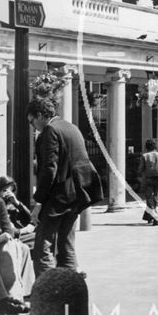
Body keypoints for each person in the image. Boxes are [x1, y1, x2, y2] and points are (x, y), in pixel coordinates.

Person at [27, 97, 103, 277]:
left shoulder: (50, 130)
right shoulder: (71, 127)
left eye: (32, 121)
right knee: (66, 240)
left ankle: (48, 289)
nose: (33, 126)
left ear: (39, 115)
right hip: (77, 194)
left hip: (59, 196)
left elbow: (49, 170)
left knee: (43, 244)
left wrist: (38, 202)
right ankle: (70, 282)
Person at [0, 170, 34, 314]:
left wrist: (6, 237)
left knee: (14, 246)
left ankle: (16, 297)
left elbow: (8, 229)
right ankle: (2, 301)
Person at [0, 176, 35, 248]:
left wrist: (17, 203)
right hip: (3, 240)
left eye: (11, 191)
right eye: (5, 190)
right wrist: (20, 231)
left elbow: (30, 220)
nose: (8, 194)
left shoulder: (11, 206)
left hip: (16, 238)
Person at [138, 139, 158, 225]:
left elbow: (140, 169)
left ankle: (155, 216)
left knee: (149, 198)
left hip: (147, 179)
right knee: (154, 197)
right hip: (157, 179)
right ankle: (150, 217)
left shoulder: (144, 156)